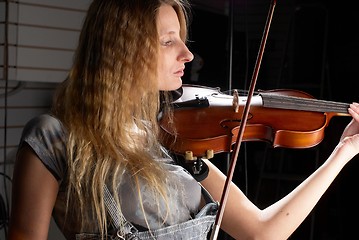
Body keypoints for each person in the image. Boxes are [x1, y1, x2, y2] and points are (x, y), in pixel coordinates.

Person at [7, 0, 359, 239]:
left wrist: (343, 151)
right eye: (167, 41)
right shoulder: (53, 138)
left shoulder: (172, 139)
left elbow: (263, 231)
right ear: (122, 49)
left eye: (182, 40)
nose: (187, 54)